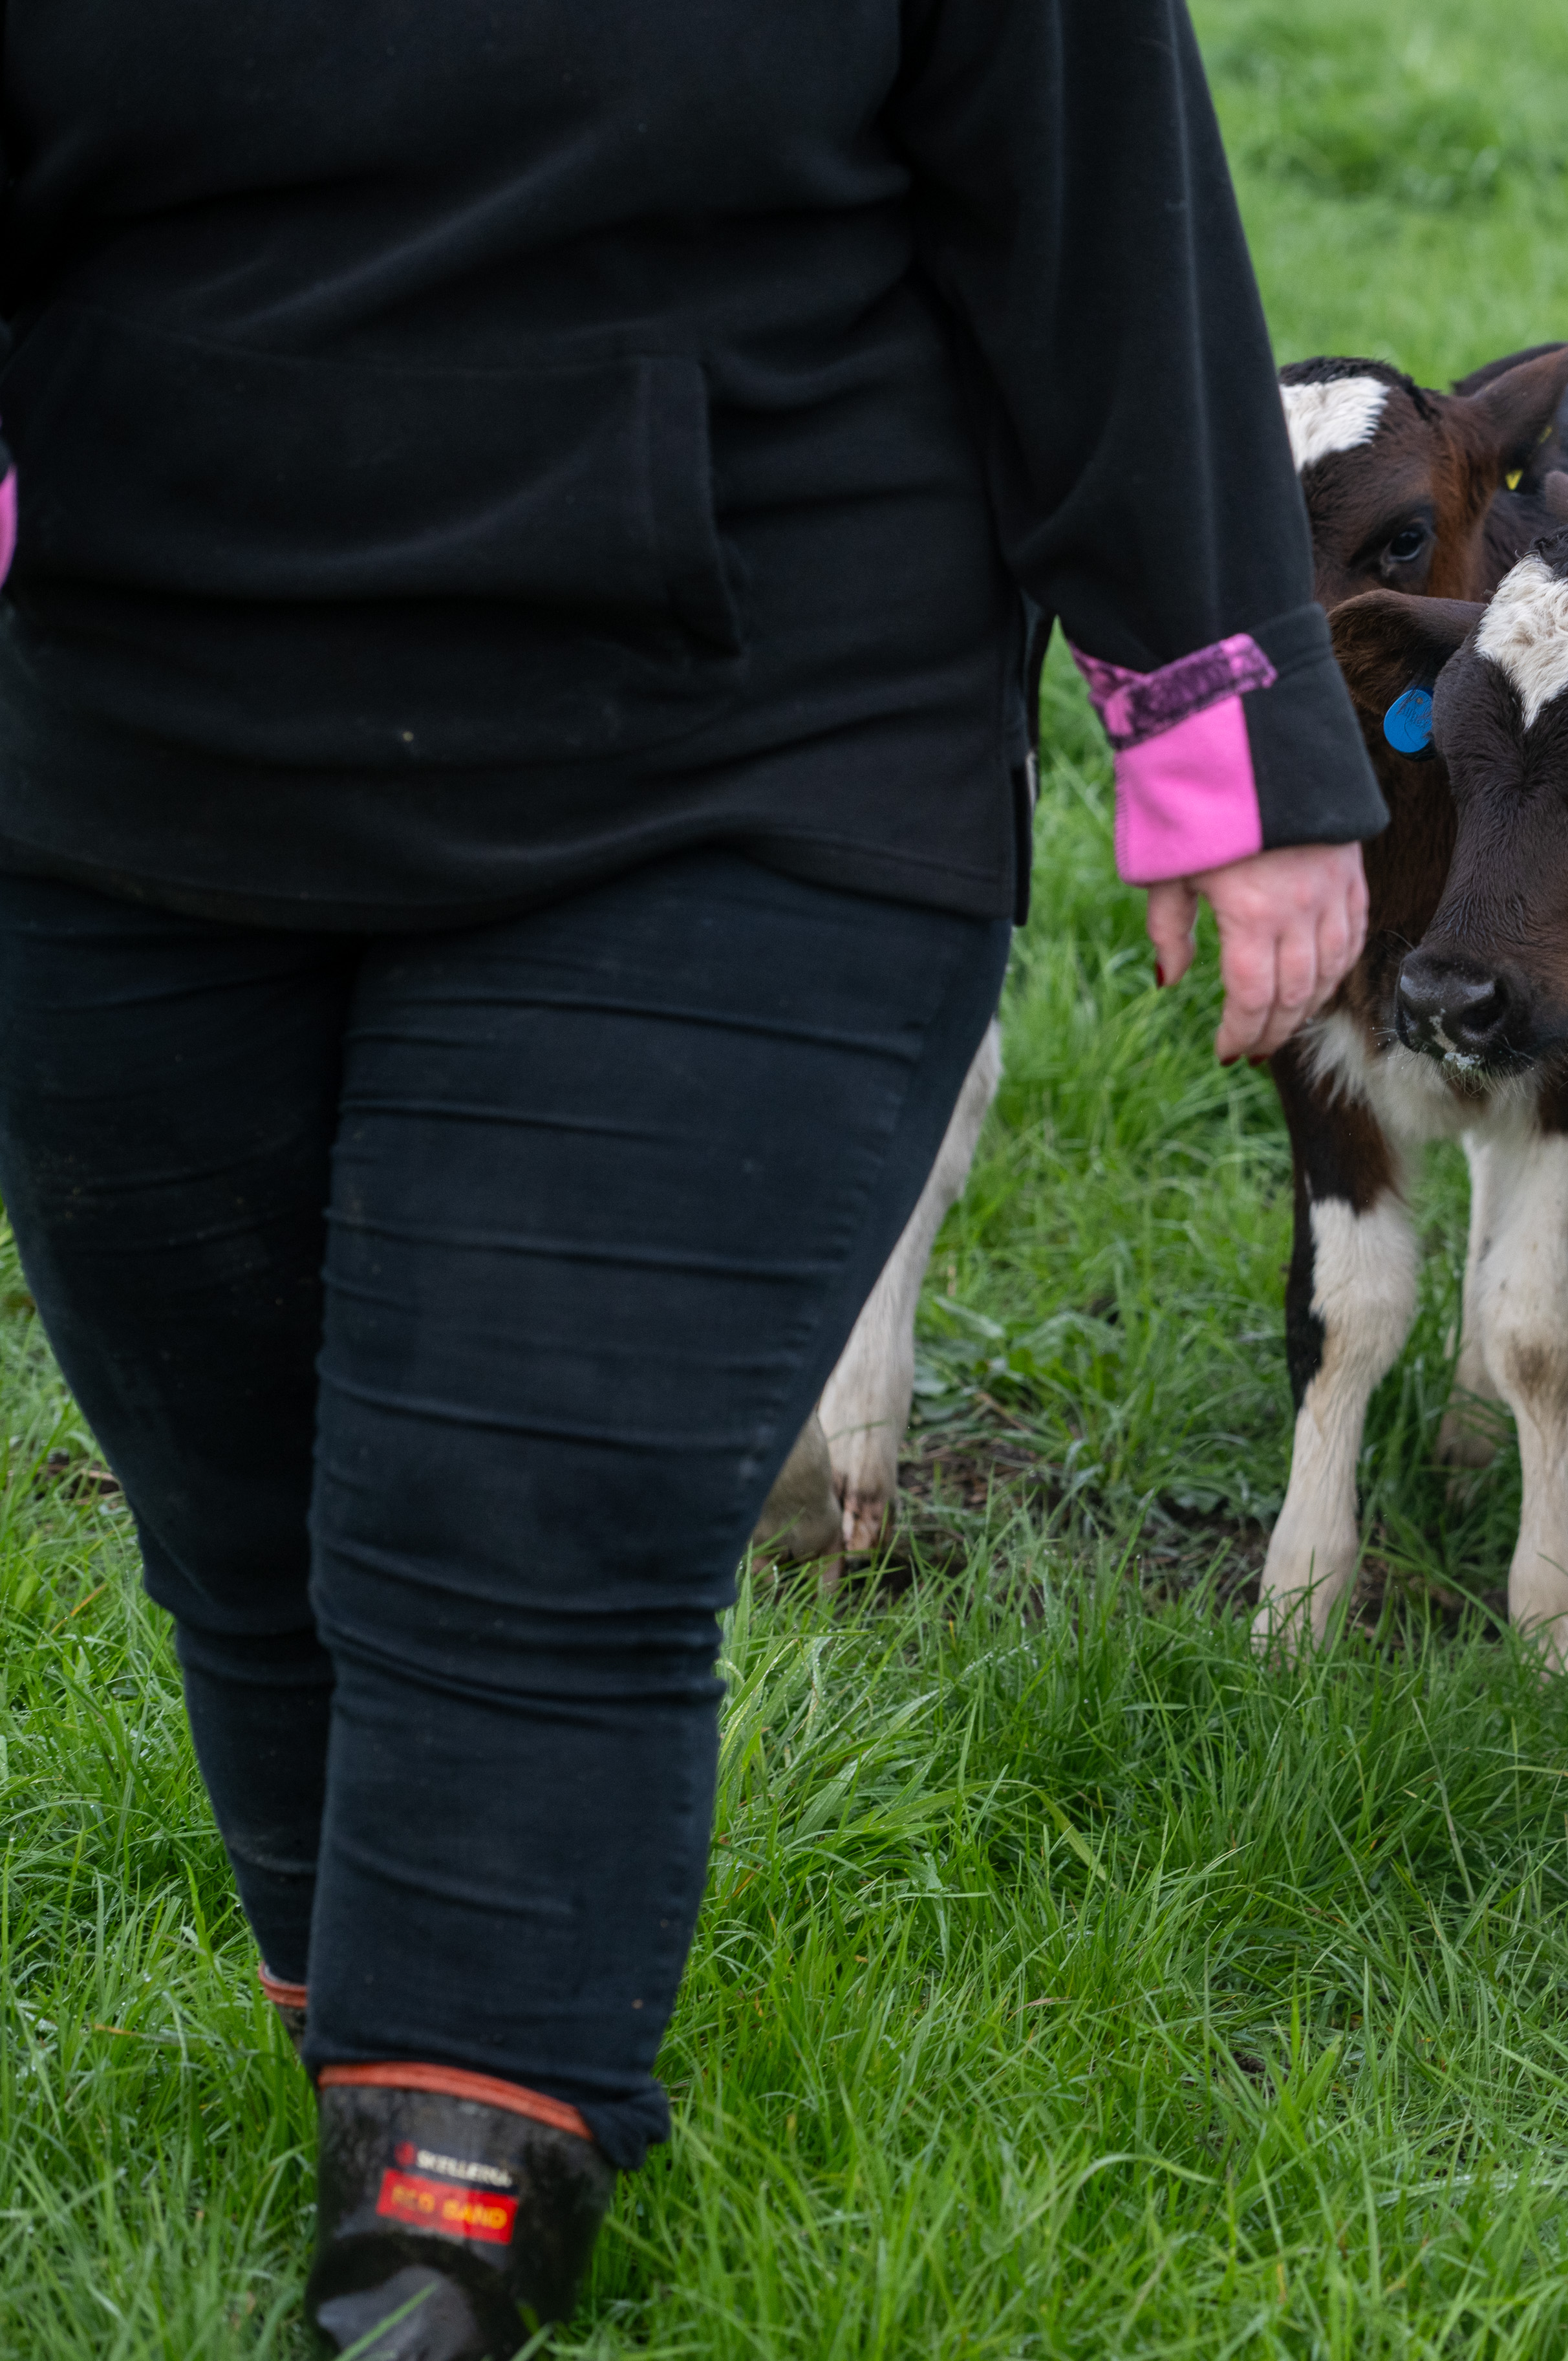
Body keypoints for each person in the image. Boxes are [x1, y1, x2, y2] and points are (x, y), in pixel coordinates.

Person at [0, 5, 1373, 2351]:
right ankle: (391, 2033)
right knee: (243, 1484)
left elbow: (1094, 190)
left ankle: (437, 2218)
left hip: (749, 706)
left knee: (523, 1483)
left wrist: (1217, 707)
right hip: (141, 723)